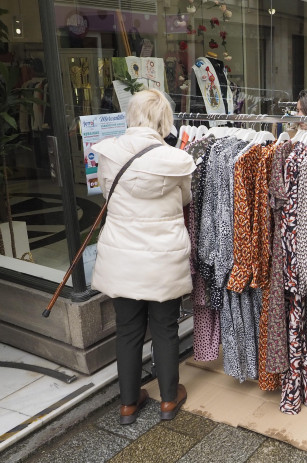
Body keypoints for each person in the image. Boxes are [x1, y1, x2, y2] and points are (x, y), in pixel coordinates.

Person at [91, 89, 195, 425]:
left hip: (121, 254)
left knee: (128, 329)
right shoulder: (175, 159)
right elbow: (184, 199)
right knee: (165, 327)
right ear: (164, 119)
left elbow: (109, 192)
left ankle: (128, 404)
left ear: (132, 115)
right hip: (162, 255)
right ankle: (168, 400)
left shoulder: (108, 152)